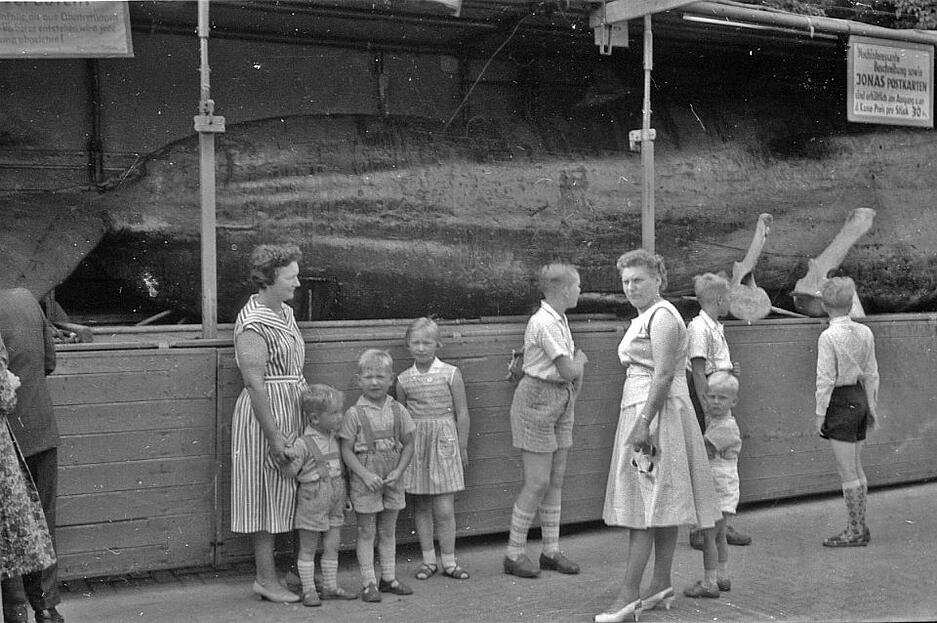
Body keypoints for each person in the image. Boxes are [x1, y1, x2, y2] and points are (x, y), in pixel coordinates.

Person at [596, 250, 721, 623]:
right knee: (658, 501)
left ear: (658, 281)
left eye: (638, 280)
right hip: (644, 409)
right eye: (626, 281)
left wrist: (644, 421)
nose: (631, 287)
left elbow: (664, 375)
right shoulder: (645, 317)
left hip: (656, 413)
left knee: (644, 508)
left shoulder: (664, 316)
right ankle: (660, 584)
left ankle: (628, 596)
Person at [230, 244, 305, 603]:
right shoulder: (253, 322)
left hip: (290, 409)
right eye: (291, 277)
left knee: (287, 493)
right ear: (270, 279)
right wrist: (274, 437)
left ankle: (291, 572)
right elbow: (253, 382)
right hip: (265, 417)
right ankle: (265, 579)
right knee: (264, 496)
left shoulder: (285, 312)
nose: (297, 283)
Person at [503, 263, 587, 579]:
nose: (580, 291)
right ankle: (513, 554)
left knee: (555, 479)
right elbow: (569, 369)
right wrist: (580, 359)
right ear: (563, 289)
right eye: (577, 286)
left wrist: (574, 373)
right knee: (537, 481)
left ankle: (550, 551)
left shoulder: (560, 318)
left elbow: (567, 375)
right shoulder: (544, 323)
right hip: (537, 400)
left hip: (560, 399)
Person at [0, 288, 62, 623]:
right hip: (40, 429)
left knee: (9, 532)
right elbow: (50, 362)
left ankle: (17, 612)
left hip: (8, 444)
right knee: (43, 524)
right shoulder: (25, 299)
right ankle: (47, 608)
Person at [397, 317, 471, 581]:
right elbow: (402, 418)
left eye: (427, 342)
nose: (421, 347)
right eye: (415, 342)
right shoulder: (404, 379)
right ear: (408, 345)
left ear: (437, 344)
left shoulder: (450, 373)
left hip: (444, 444)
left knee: (444, 508)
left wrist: (462, 446)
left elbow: (462, 413)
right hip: (418, 445)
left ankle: (449, 561)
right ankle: (428, 560)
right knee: (422, 506)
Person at [339, 349, 415, 603]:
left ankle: (389, 578)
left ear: (391, 379)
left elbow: (409, 444)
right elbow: (346, 451)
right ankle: (369, 582)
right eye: (369, 376)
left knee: (388, 530)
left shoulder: (398, 410)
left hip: (392, 475)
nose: (374, 382)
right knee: (366, 531)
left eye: (380, 376)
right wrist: (363, 474)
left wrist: (399, 470)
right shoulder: (353, 414)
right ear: (358, 379)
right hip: (366, 477)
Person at [685, 274, 751, 550]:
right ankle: (701, 529)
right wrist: (708, 410)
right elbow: (699, 372)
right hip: (708, 400)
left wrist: (730, 370)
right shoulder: (699, 327)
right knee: (707, 462)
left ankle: (721, 524)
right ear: (718, 299)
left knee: (722, 463)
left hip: (719, 396)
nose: (730, 303)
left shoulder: (715, 327)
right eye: (728, 298)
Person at [278, 384, 358, 606]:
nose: (340, 416)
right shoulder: (304, 443)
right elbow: (291, 471)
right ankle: (309, 589)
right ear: (314, 418)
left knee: (332, 545)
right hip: (313, 498)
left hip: (336, 496)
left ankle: (331, 586)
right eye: (334, 413)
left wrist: (346, 497)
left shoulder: (335, 437)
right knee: (308, 547)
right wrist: (284, 457)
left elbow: (342, 467)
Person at [815, 277, 879, 548]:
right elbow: (873, 373)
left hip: (840, 402)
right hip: (860, 397)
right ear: (852, 302)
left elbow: (825, 379)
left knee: (847, 472)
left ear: (824, 306)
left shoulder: (828, 336)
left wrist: (820, 414)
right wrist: (872, 406)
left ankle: (854, 531)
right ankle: (860, 526)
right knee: (857, 468)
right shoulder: (865, 332)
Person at [684, 371, 741, 599]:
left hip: (719, 489)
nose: (716, 402)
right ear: (704, 398)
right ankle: (722, 576)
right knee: (719, 535)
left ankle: (709, 582)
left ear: (733, 401)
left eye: (722, 398)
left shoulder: (725, 427)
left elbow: (704, 451)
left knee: (709, 536)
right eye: (711, 397)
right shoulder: (719, 422)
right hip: (724, 488)